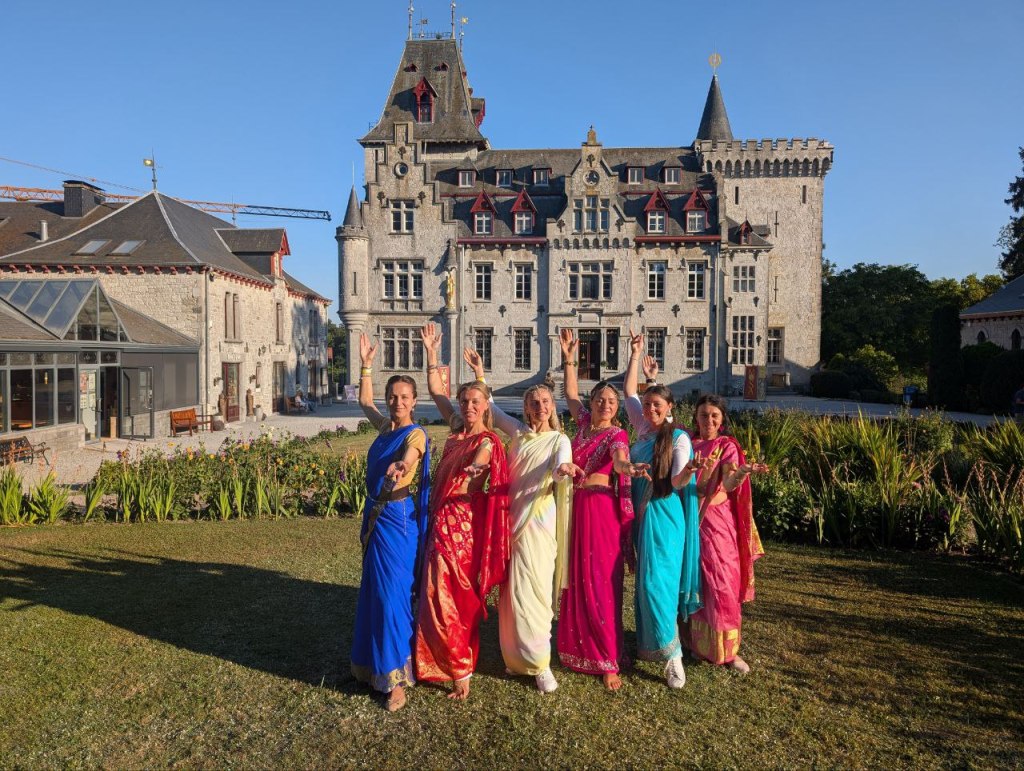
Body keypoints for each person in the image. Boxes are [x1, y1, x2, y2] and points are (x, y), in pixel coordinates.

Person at [463, 348, 579, 694]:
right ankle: (515, 659)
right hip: (510, 521)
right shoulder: (518, 433)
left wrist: (562, 471)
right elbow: (492, 410)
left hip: (539, 523)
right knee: (512, 594)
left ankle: (540, 664)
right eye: (533, 402)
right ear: (526, 409)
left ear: (553, 407)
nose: (539, 406)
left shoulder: (559, 439)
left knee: (537, 592)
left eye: (545, 402)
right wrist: (480, 374)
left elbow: (559, 466)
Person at [414, 323, 510, 700]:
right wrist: (431, 353)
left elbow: (483, 458)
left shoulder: (487, 439)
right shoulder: (456, 429)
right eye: (464, 401)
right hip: (440, 518)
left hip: (463, 525)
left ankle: (460, 667)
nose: (469, 407)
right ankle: (436, 658)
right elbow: (436, 391)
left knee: (452, 593)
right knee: (433, 590)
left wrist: (477, 467)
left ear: (485, 406)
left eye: (475, 402)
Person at [556, 328, 648, 690]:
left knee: (601, 581)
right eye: (600, 399)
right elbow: (569, 393)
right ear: (592, 402)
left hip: (601, 512)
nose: (606, 405)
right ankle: (578, 648)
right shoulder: (582, 425)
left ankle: (608, 658)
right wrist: (568, 358)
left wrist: (628, 469)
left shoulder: (617, 435)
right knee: (576, 577)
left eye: (611, 401)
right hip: (576, 508)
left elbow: (620, 460)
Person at [349, 333, 431, 711]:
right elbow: (364, 402)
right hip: (375, 516)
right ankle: (372, 668)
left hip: (397, 521)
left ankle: (397, 679)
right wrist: (366, 364)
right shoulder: (385, 428)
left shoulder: (416, 434)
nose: (398, 402)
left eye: (405, 397)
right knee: (373, 593)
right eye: (393, 397)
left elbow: (412, 454)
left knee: (393, 597)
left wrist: (403, 463)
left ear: (414, 401)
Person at [622, 331, 702, 689]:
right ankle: (653, 644)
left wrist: (689, 471)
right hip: (642, 518)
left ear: (670, 408)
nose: (650, 410)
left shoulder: (679, 438)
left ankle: (673, 657)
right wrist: (635, 354)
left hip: (665, 516)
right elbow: (628, 392)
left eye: (657, 405)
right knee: (645, 584)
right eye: (647, 405)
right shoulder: (642, 428)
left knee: (659, 585)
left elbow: (678, 481)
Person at [682, 394, 768, 674]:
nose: (708, 420)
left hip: (717, 522)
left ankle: (729, 652)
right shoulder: (687, 443)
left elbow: (729, 483)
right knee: (696, 581)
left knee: (723, 582)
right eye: (703, 415)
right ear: (696, 417)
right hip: (688, 519)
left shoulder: (726, 446)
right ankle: (697, 645)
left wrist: (743, 471)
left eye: (714, 416)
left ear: (721, 420)